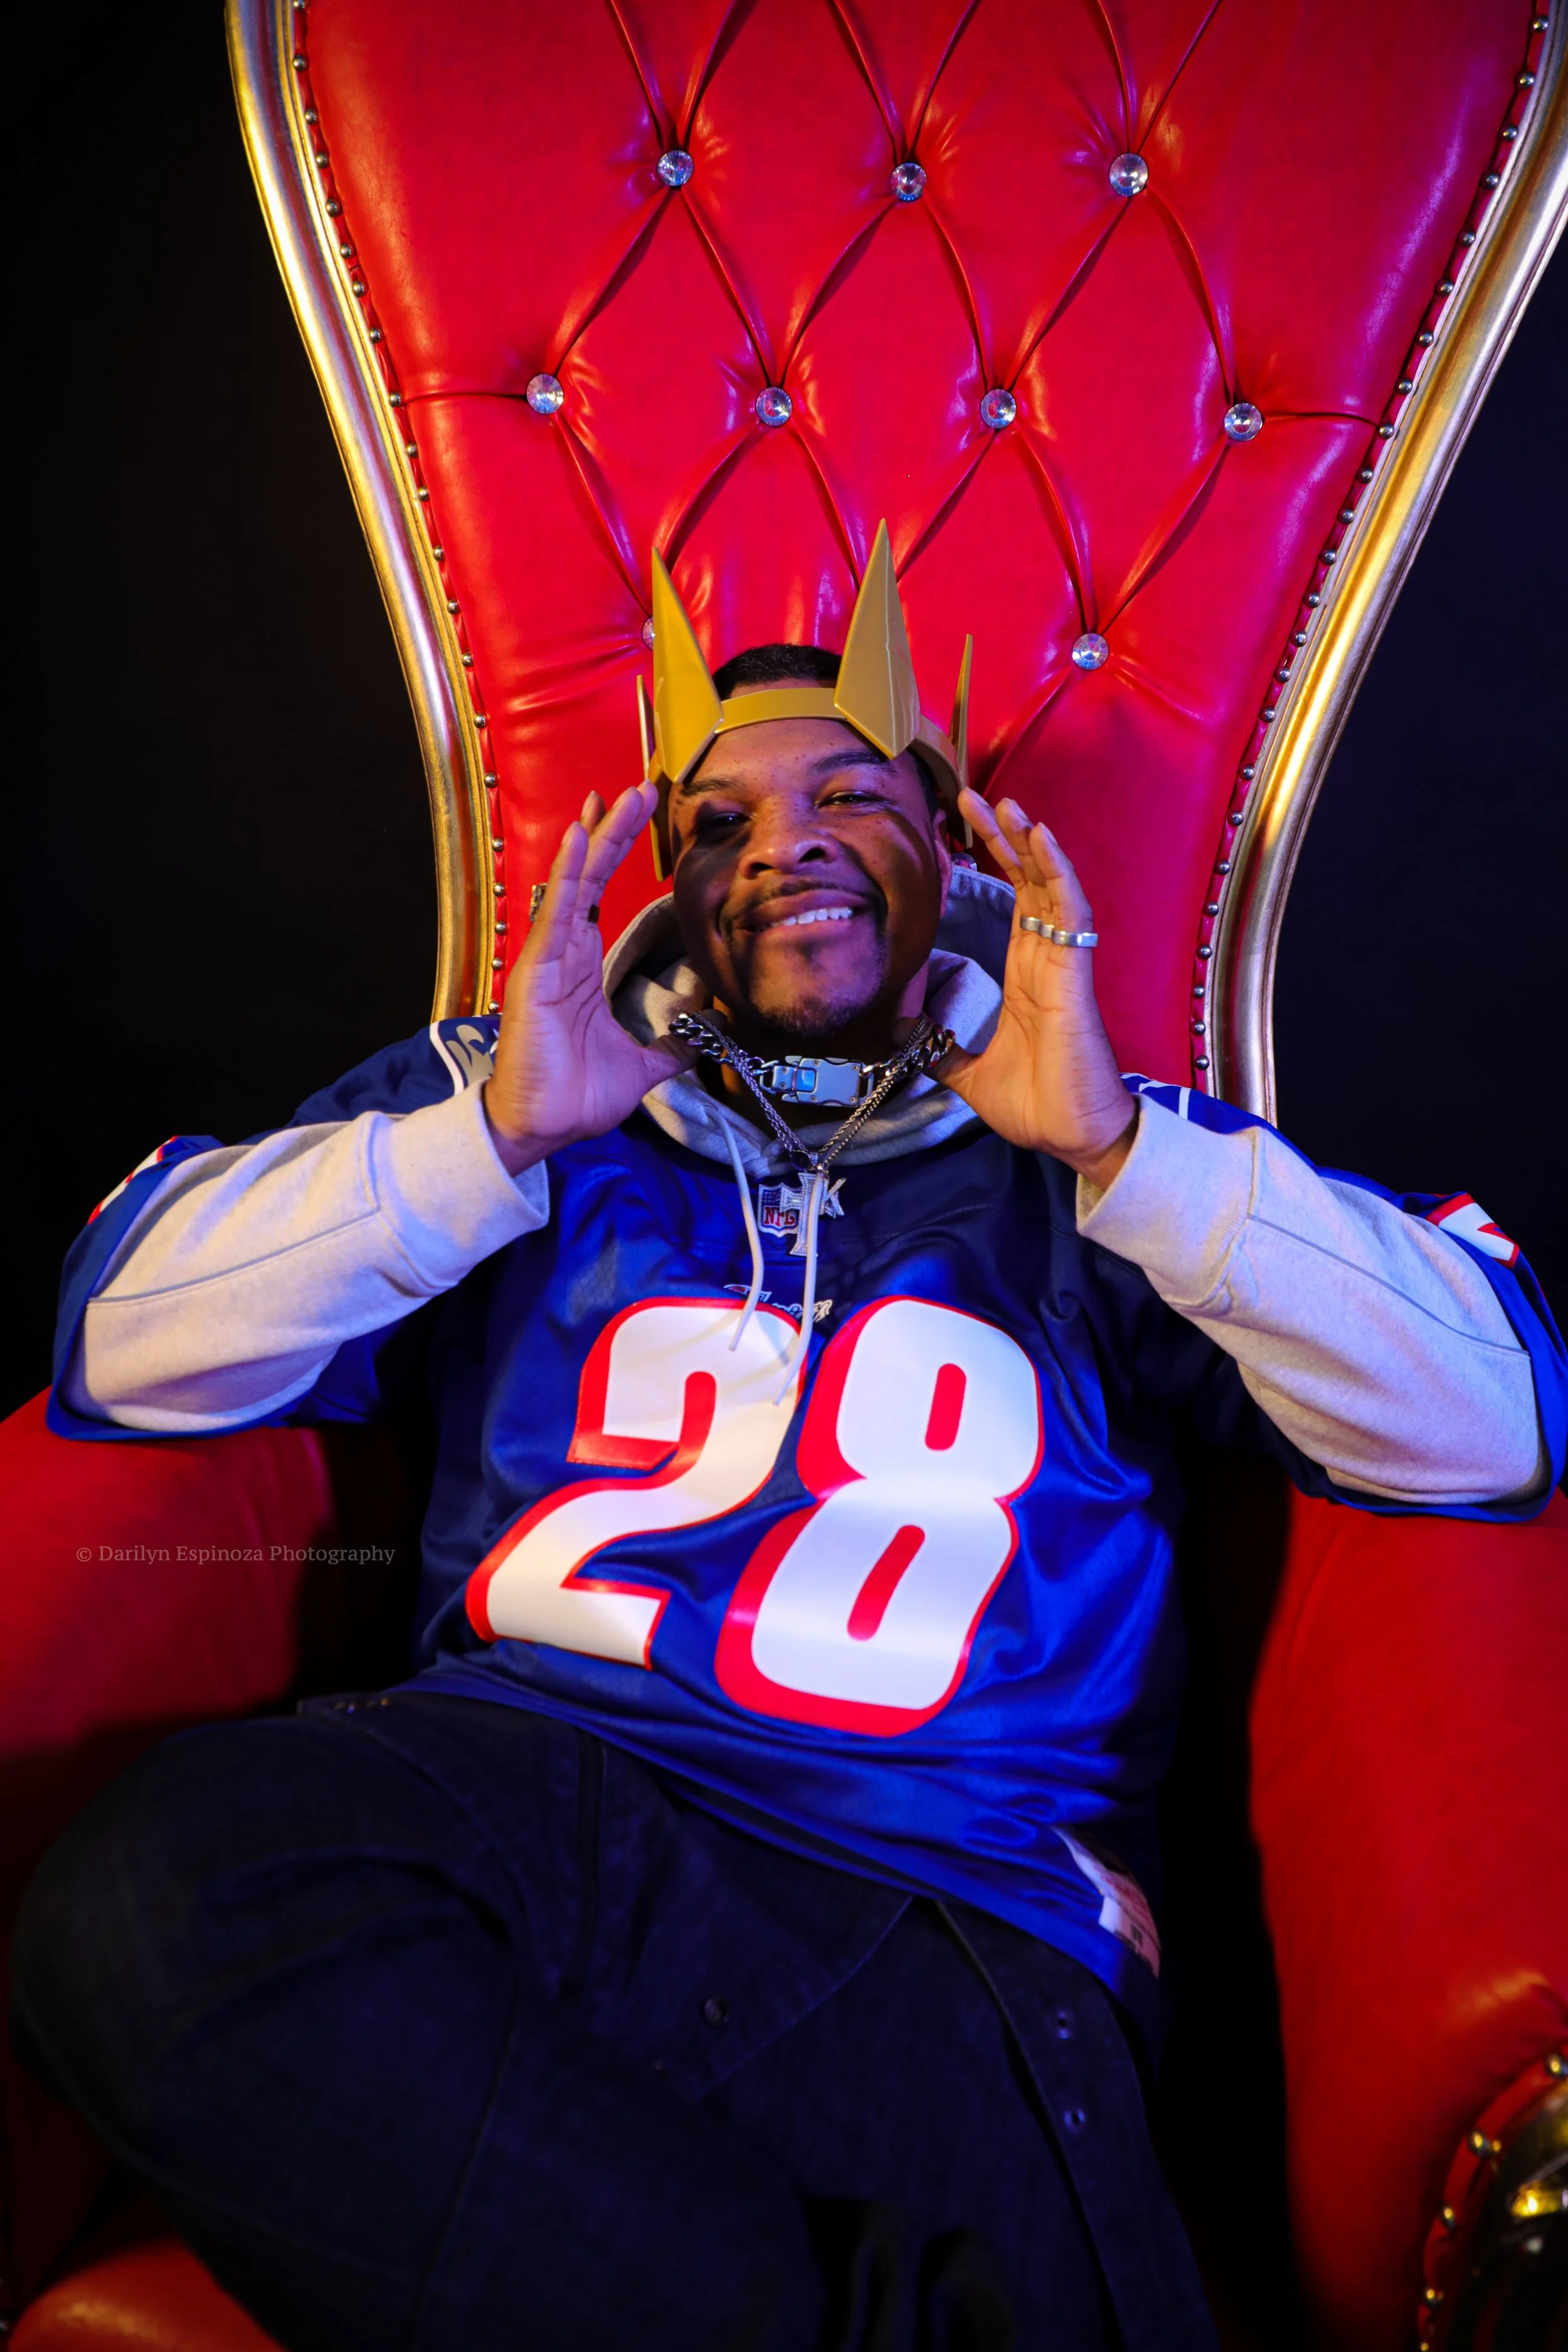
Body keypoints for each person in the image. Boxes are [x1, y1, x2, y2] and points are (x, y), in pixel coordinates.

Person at [13, 540, 1564, 2352]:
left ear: (950, 843)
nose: (782, 841)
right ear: (668, 886)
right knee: (138, 1901)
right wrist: (494, 1136)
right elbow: (121, 1347)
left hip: (945, 1888)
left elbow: (1497, 1426)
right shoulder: (524, 1090)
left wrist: (1117, 1151)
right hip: (530, 1808)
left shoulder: (1099, 1140)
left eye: (847, 793)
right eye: (719, 820)